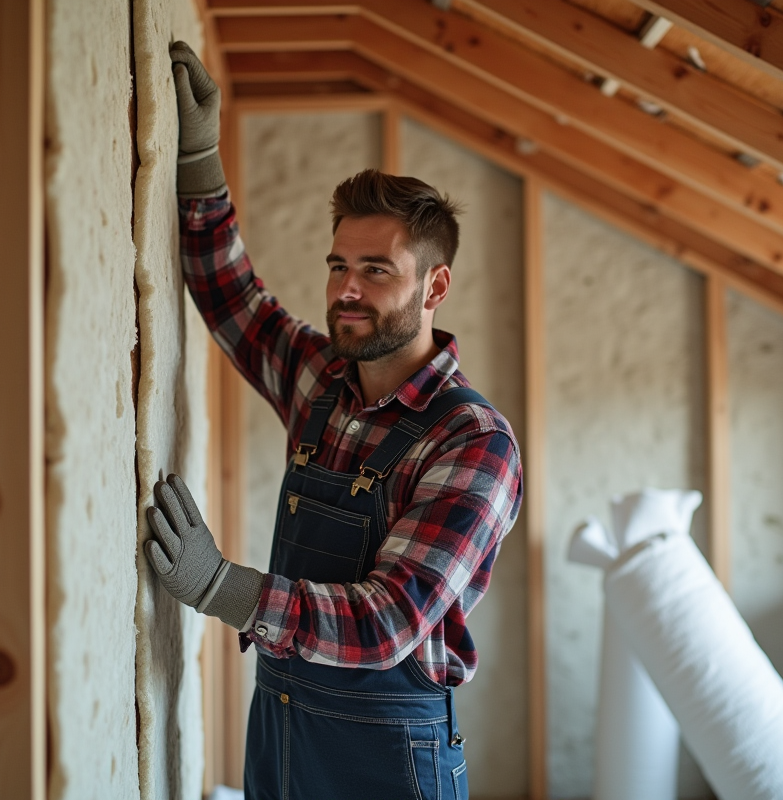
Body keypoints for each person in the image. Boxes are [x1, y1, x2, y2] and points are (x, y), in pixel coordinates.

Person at [144, 41, 523, 800]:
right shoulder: (323, 380)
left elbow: (387, 623)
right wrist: (198, 156)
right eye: (338, 266)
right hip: (282, 721)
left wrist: (220, 585)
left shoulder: (472, 443)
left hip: (388, 752)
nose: (347, 290)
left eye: (376, 271)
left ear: (435, 284)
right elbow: (232, 297)